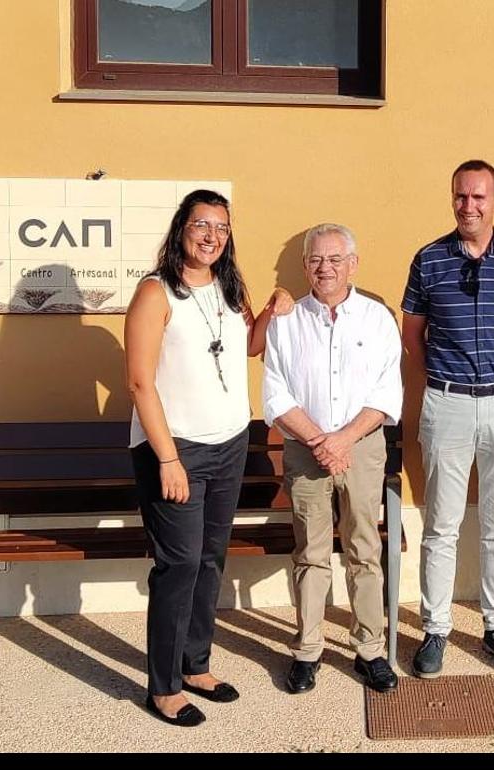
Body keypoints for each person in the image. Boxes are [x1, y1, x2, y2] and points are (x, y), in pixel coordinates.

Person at [126, 189, 291, 726]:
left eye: (221, 227)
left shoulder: (228, 287)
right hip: (176, 451)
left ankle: (196, 664)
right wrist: (168, 459)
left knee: (211, 558)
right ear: (181, 229)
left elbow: (247, 346)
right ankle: (164, 686)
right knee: (178, 565)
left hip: (229, 444)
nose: (211, 236)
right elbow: (139, 382)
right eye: (202, 224)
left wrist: (269, 312)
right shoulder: (155, 293)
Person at [401, 160, 494, 678]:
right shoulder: (428, 259)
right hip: (448, 403)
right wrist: (452, 375)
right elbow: (412, 334)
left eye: (479, 197)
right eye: (461, 196)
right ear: (452, 199)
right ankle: (436, 629)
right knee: (441, 524)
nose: (469, 206)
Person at [263, 223, 402, 695]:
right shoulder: (286, 321)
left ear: (353, 263)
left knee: (365, 549)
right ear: (305, 266)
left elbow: (388, 391)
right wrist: (322, 439)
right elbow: (276, 395)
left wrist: (343, 439)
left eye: (334, 259)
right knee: (311, 553)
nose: (325, 268)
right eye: (316, 260)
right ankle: (307, 650)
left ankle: (370, 650)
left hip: (361, 449)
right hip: (305, 451)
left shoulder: (377, 319)